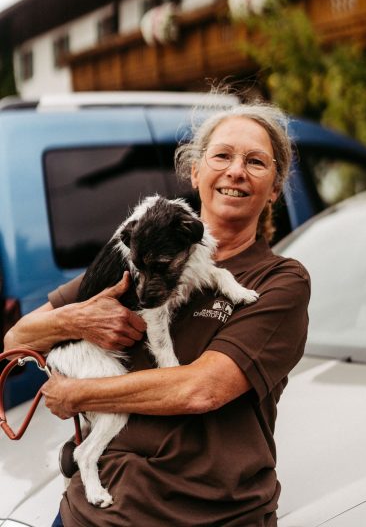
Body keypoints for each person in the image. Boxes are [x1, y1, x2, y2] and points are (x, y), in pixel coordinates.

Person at [4, 101, 310, 527]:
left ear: (275, 188)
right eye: (222, 155)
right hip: (90, 514)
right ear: (195, 172)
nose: (236, 171)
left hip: (204, 516)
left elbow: (200, 389)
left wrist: (78, 395)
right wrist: (76, 320)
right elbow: (15, 340)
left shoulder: (279, 281)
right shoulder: (137, 249)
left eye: (255, 162)